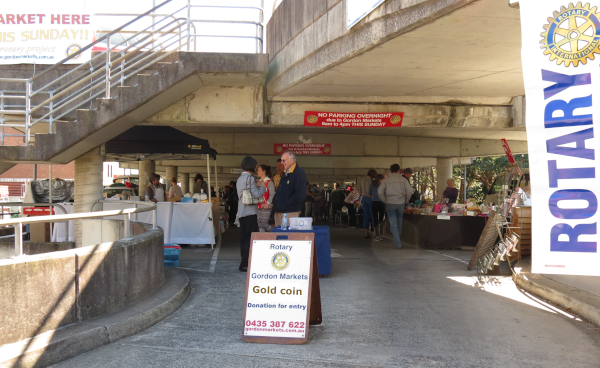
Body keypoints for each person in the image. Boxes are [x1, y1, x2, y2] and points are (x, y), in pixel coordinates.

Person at [236, 156, 266, 272]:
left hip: (241, 212)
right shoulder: (250, 179)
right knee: (251, 238)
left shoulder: (240, 179)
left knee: (244, 238)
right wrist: (262, 188)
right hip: (250, 212)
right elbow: (257, 195)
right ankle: (246, 263)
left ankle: (243, 262)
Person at [378, 164, 414, 249]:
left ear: (390, 171)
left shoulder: (386, 180)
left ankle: (397, 242)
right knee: (399, 222)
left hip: (390, 203)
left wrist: (384, 200)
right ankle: (397, 240)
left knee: (393, 223)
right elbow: (410, 191)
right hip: (401, 203)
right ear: (399, 171)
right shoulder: (403, 180)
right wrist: (406, 199)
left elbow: (380, 192)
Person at [271, 150, 307, 227]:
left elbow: (300, 193)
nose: (282, 163)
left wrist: (286, 203)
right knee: (279, 236)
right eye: (281, 160)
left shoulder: (299, 172)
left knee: (288, 236)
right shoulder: (285, 172)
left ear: (292, 160)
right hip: (280, 211)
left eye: (284, 160)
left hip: (290, 212)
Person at [256, 164, 275, 232]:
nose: (257, 172)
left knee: (264, 224)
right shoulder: (258, 182)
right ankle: (262, 239)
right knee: (259, 225)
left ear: (264, 171)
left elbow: (272, 194)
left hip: (266, 205)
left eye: (259, 170)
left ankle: (275, 232)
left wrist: (268, 203)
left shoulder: (270, 182)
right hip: (258, 205)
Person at [359, 169, 377, 238]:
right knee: (373, 215)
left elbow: (360, 191)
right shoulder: (373, 180)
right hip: (371, 198)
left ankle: (366, 232)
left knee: (366, 216)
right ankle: (375, 232)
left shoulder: (362, 180)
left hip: (364, 198)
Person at [370, 174, 386, 241]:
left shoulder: (371, 185)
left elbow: (369, 195)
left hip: (374, 203)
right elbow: (386, 194)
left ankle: (377, 235)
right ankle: (381, 234)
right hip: (382, 203)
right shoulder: (383, 186)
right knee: (381, 218)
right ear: (380, 179)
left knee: (375, 219)